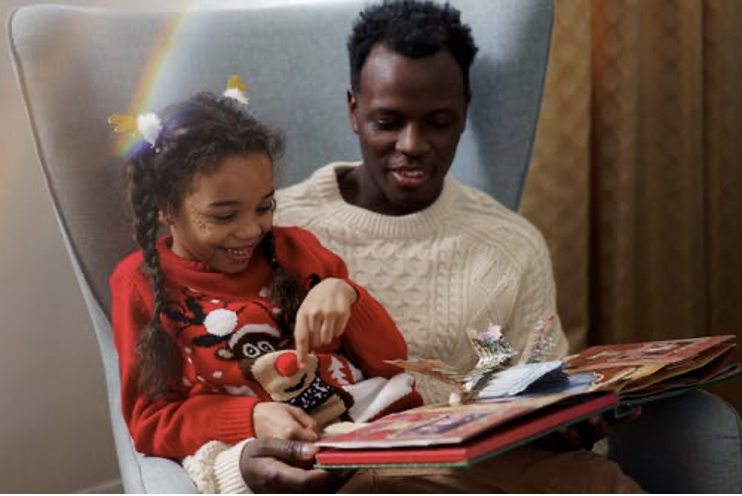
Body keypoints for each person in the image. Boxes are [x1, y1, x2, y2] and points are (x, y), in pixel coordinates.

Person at [182, 1, 644, 492]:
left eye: (438, 122)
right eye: (388, 121)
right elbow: (201, 390)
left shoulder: (511, 246)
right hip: (346, 472)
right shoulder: (266, 232)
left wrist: (568, 426)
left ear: (466, 109)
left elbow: (535, 389)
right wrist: (239, 465)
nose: (412, 144)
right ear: (354, 109)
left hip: (485, 472)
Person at [109, 83, 422, 461]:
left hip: (374, 429)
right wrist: (251, 417)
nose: (252, 230)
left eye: (264, 207)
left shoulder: (299, 251)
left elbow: (392, 362)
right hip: (284, 461)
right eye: (224, 215)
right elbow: (150, 423)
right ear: (165, 208)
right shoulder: (137, 283)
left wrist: (348, 295)